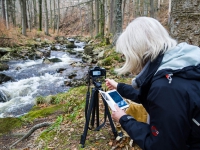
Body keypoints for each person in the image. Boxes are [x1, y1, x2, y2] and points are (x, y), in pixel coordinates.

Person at [105, 17, 200, 150]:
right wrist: (119, 87)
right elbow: (147, 94)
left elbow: (162, 145)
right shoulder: (182, 64)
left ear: (137, 52)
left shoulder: (165, 87)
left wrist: (124, 119)